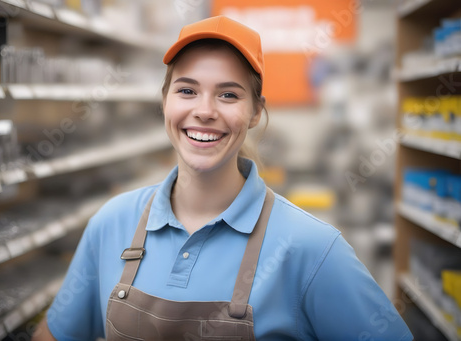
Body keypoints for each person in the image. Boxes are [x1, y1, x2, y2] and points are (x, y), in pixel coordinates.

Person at [33, 16, 413, 341]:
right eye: (186, 90)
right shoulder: (112, 223)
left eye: (228, 95)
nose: (204, 111)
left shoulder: (311, 248)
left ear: (254, 112)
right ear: (165, 100)